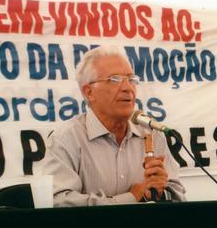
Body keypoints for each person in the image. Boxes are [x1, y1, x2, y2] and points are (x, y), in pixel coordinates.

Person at [41, 45, 186, 206]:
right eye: (115, 79)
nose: (128, 88)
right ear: (89, 92)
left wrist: (160, 191)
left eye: (132, 79)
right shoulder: (66, 139)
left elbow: (178, 197)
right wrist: (131, 197)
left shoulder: (151, 133)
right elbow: (59, 202)